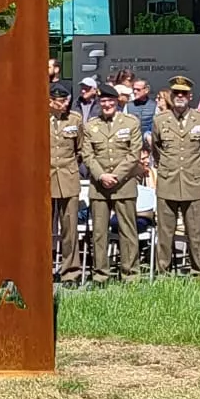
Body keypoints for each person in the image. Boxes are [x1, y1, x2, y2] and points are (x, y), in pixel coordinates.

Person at [76, 84, 141, 283]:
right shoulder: (91, 126)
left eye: (110, 101)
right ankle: (100, 275)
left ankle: (130, 275)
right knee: (99, 232)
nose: (106, 104)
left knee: (127, 231)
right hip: (99, 186)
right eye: (103, 101)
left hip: (124, 184)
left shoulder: (130, 123)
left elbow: (134, 154)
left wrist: (116, 175)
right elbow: (87, 154)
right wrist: (101, 175)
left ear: (117, 101)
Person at [151, 76, 200, 277]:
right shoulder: (160, 120)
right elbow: (156, 149)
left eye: (183, 93)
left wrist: (195, 168)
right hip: (168, 181)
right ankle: (163, 273)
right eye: (176, 93)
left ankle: (198, 273)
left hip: (193, 182)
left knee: (194, 232)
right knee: (165, 232)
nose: (180, 97)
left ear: (190, 96)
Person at [47, 83, 83, 281]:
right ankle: (46, 269)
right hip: (46, 179)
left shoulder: (75, 119)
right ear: (50, 101)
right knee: (46, 230)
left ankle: (71, 272)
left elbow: (80, 148)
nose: (63, 105)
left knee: (69, 228)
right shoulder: (39, 118)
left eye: (65, 101)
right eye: (59, 101)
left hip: (68, 179)